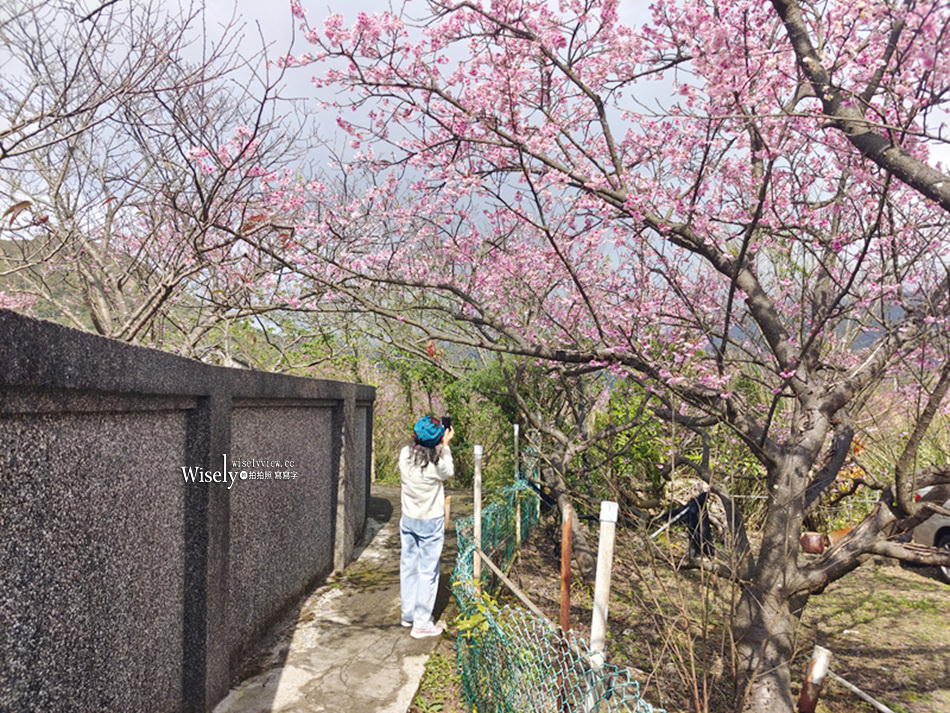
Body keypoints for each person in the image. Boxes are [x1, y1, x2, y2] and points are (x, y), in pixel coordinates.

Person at [399, 415, 454, 638]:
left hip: (408, 517)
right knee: (427, 571)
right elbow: (449, 471)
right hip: (430, 520)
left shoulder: (405, 455)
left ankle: (408, 614)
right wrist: (445, 446)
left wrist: (438, 442)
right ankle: (421, 623)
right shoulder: (437, 464)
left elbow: (421, 450)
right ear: (438, 439)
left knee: (408, 565)